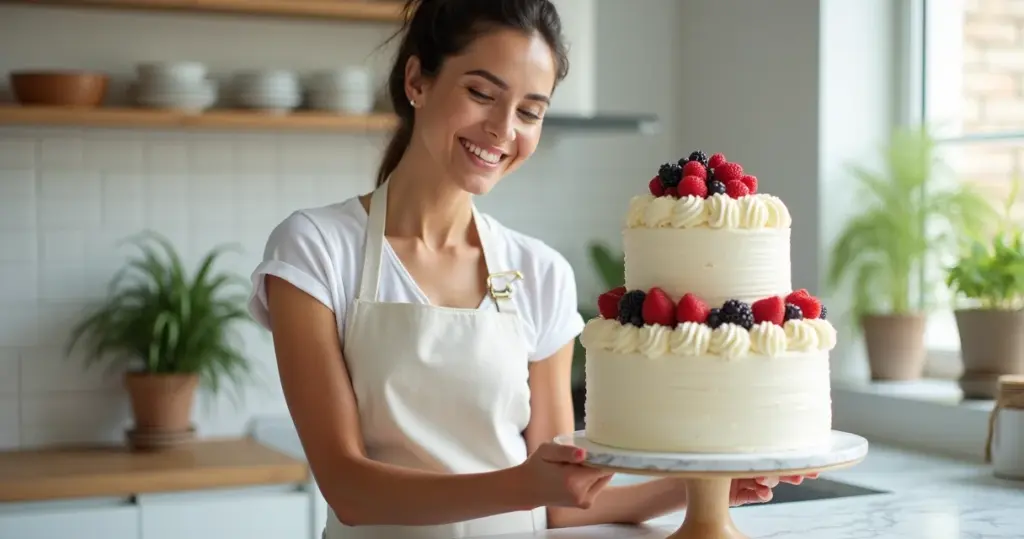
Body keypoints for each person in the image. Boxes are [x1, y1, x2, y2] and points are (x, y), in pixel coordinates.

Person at [247, 0, 814, 537]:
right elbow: (349, 488)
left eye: (529, 112)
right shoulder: (316, 249)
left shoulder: (539, 272)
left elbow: (560, 507)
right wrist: (524, 484)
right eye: (481, 93)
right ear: (417, 80)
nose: (503, 129)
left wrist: (705, 488)